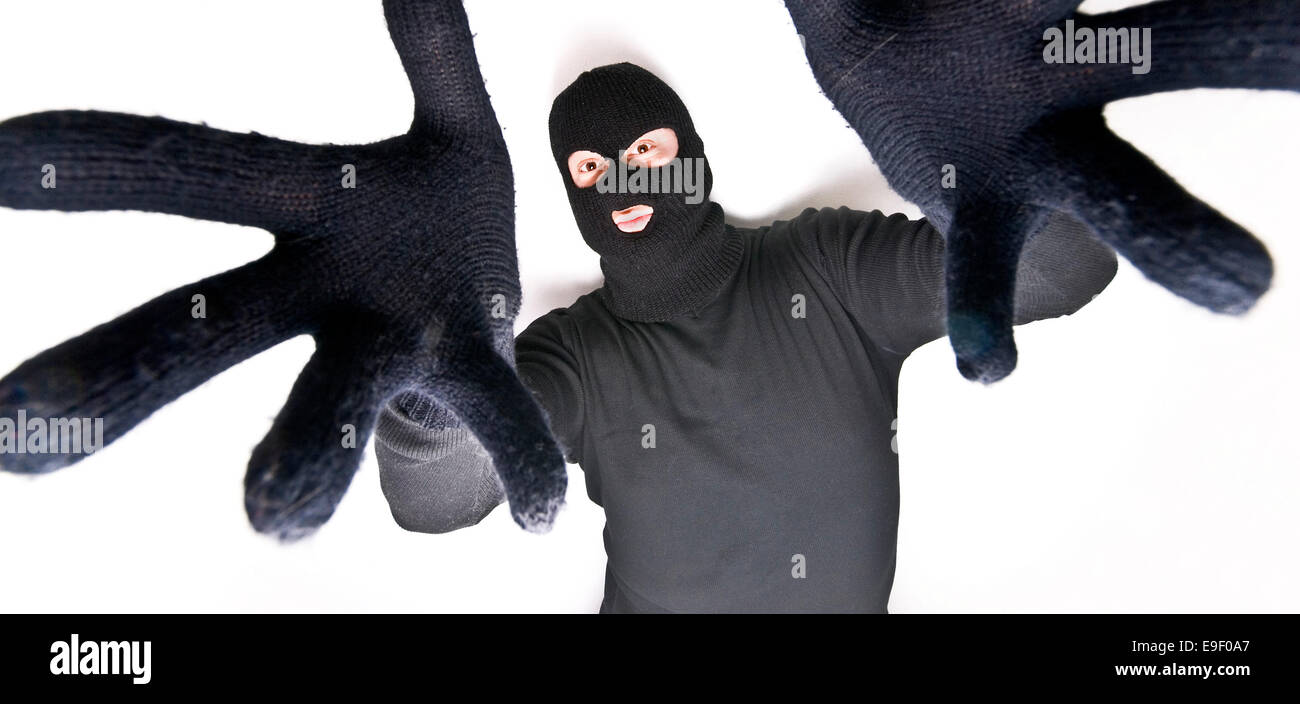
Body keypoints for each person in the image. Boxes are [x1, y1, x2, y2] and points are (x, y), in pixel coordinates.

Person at [374, 61, 1118, 613]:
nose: (619, 185)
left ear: (692, 156)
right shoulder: (577, 358)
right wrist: (440, 361)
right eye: (590, 167)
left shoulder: (829, 270)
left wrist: (968, 159)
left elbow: (1066, 268)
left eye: (645, 155)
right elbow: (434, 500)